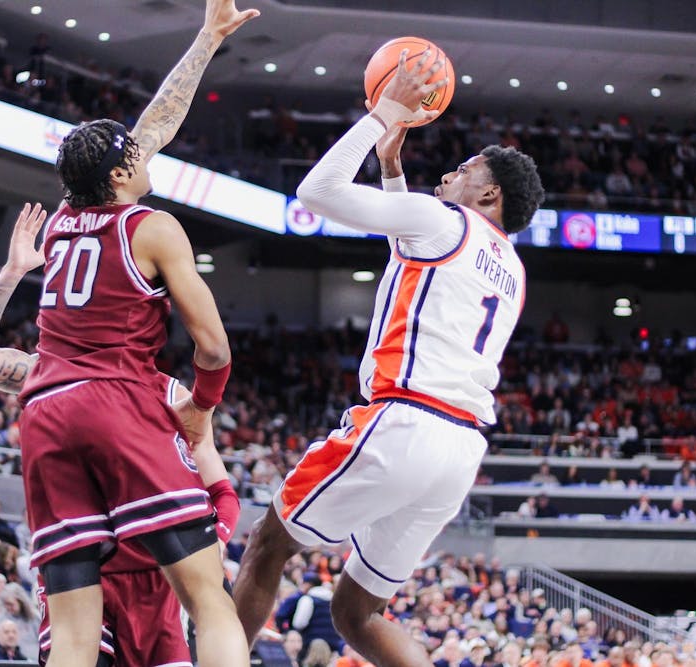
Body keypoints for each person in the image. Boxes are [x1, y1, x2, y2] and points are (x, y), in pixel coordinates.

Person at [0, 2, 259, 666]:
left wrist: (206, 39)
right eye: (133, 157)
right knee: (211, 598)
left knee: (71, 636)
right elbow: (213, 347)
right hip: (115, 402)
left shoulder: (63, 220)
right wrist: (201, 410)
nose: (147, 156)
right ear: (120, 175)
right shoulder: (149, 226)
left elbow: (150, 127)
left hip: (44, 411)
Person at [233, 49, 544, 667]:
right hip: (459, 450)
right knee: (357, 612)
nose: (449, 175)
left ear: (488, 193)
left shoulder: (442, 218)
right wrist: (391, 168)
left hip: (403, 422)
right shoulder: (511, 265)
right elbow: (414, 251)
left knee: (268, 546)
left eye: (462, 169)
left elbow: (315, 192)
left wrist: (383, 115)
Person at [0, 207, 242, 667]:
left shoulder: (171, 393)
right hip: (87, 577)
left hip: (155, 581)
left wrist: (214, 542)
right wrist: (12, 272)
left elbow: (222, 491)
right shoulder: (54, 376)